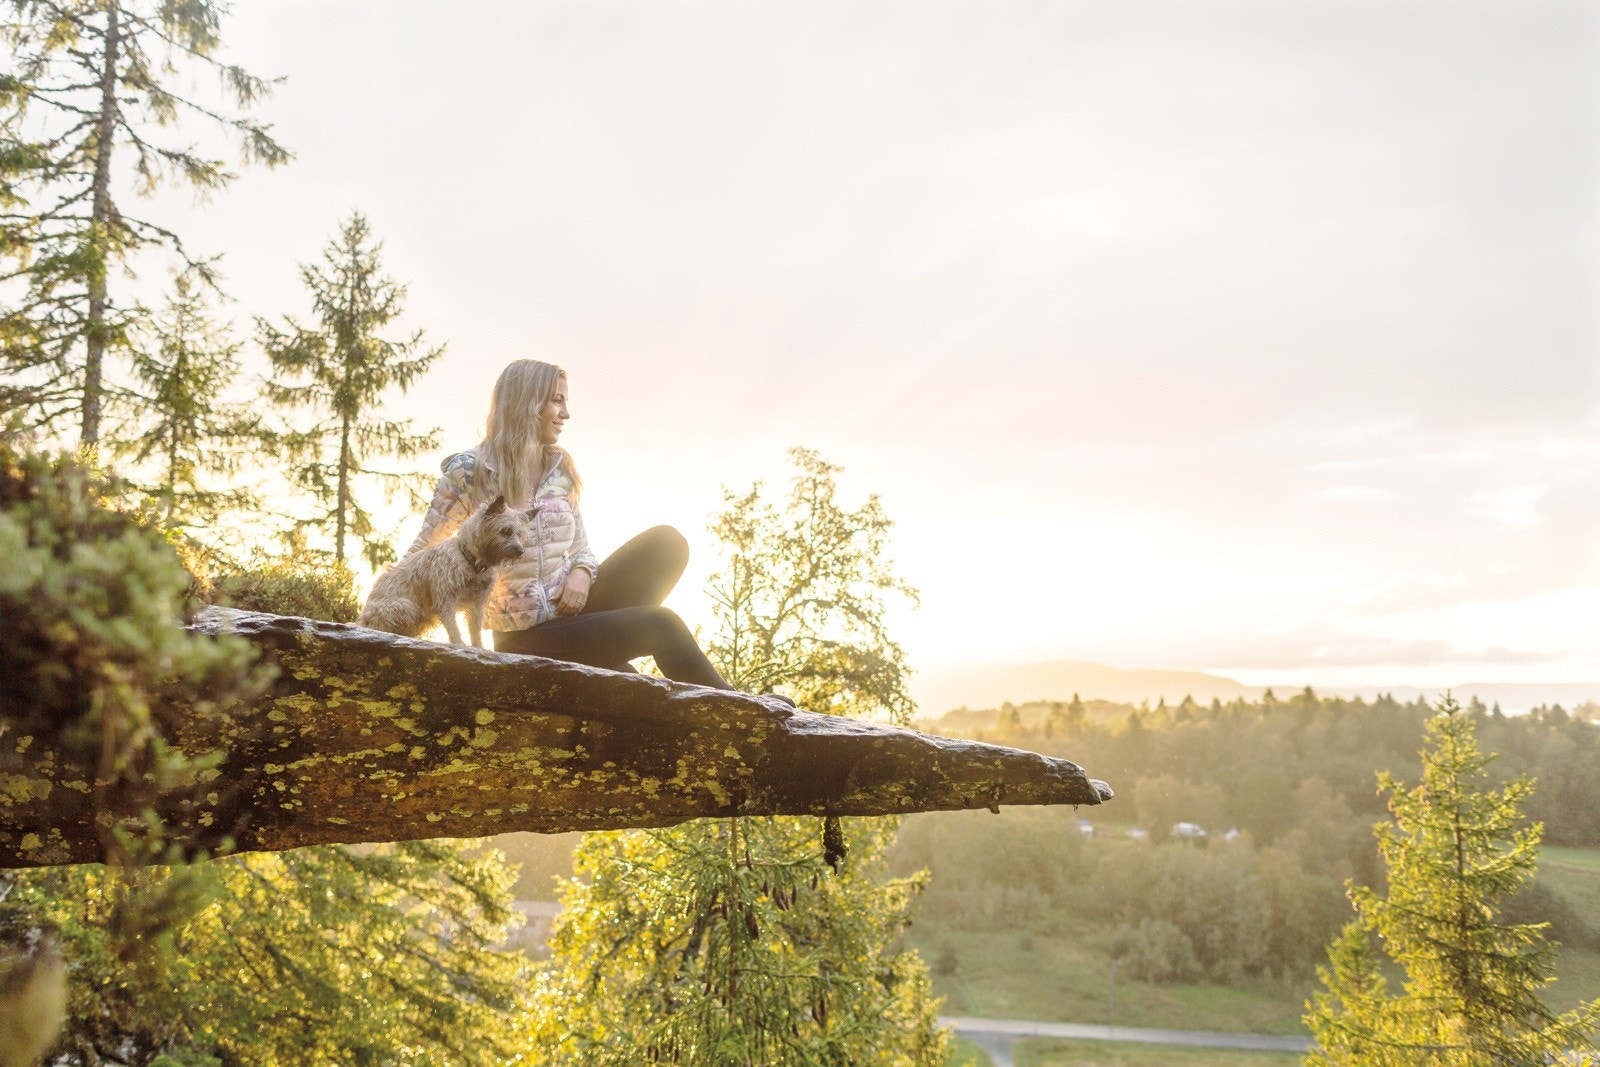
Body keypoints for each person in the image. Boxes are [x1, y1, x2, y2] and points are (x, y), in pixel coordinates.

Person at [405, 358, 744, 693]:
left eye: (565, 401)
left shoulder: (560, 470)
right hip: (524, 637)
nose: (566, 413)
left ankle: (605, 656)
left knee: (667, 543)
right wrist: (380, 629)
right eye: (557, 400)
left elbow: (582, 549)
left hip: (572, 613)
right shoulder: (470, 472)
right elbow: (423, 552)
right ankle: (742, 708)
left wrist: (581, 572)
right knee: (661, 623)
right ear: (527, 401)